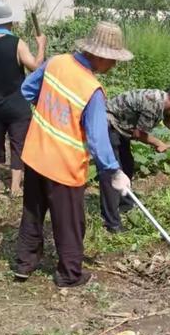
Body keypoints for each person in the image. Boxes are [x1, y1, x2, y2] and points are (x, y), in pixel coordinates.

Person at [15, 21, 132, 287]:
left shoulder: (56, 62)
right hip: (63, 166)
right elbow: (99, 140)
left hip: (35, 153)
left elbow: (28, 90)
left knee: (33, 211)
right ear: (99, 55)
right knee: (69, 222)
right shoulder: (92, 90)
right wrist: (114, 171)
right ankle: (69, 274)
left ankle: (24, 262)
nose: (113, 66)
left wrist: (51, 112)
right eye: (112, 60)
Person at [100, 84, 170, 232]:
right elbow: (139, 134)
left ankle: (125, 204)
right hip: (108, 124)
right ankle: (112, 222)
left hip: (121, 127)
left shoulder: (164, 101)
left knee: (127, 164)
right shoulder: (153, 104)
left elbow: (169, 122)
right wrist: (158, 143)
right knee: (113, 173)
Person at [0, 0, 47, 197]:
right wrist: (41, 45)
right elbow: (35, 66)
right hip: (18, 104)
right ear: (11, 23)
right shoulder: (17, 44)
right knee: (18, 142)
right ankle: (15, 186)